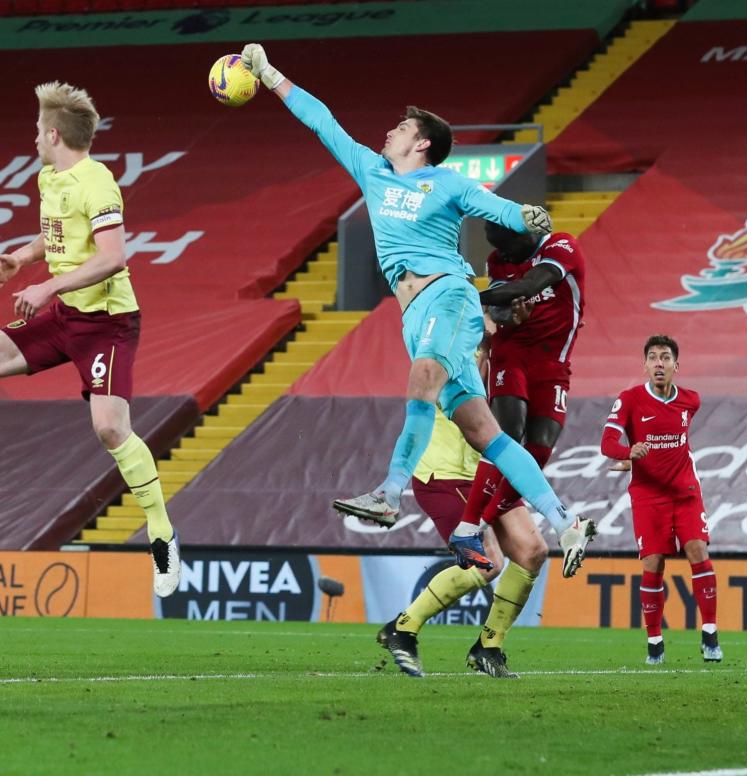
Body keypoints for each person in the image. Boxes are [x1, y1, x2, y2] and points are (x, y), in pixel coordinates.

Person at [238, 43, 594, 577]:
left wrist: (524, 213)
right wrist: (268, 75)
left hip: (447, 294)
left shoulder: (446, 182)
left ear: (422, 143)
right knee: (486, 434)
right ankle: (566, 521)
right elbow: (323, 122)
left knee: (423, 374)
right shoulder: (372, 170)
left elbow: (494, 207)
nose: (389, 133)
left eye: (400, 129)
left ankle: (389, 491)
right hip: (412, 312)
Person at [0, 81, 181, 597]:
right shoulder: (49, 178)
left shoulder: (98, 182)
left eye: (36, 129)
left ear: (53, 133)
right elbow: (56, 234)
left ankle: (162, 532)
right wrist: (22, 259)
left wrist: (48, 283)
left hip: (107, 323)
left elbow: (113, 256)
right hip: (64, 314)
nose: (32, 136)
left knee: (110, 429)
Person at [376, 341, 548, 678]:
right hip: (443, 472)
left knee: (532, 551)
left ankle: (489, 646)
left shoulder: (505, 355)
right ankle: (402, 627)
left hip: (487, 472)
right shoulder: (447, 349)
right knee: (487, 563)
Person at [453, 224, 586, 537]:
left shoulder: (562, 246)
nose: (505, 256)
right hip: (511, 353)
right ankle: (470, 523)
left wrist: (469, 296)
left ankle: (485, 518)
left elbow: (530, 284)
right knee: (507, 435)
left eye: (510, 249)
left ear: (525, 237)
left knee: (539, 449)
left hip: (553, 362)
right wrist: (506, 314)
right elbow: (498, 310)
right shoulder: (498, 259)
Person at [600, 335, 721, 665]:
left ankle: (710, 633)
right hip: (648, 495)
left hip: (685, 492)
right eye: (652, 357)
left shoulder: (690, 401)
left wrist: (644, 457)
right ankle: (655, 641)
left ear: (675, 366)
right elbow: (607, 442)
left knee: (699, 550)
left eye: (665, 357)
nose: (658, 363)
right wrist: (629, 453)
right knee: (654, 563)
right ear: (645, 365)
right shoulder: (630, 399)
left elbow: (679, 444)